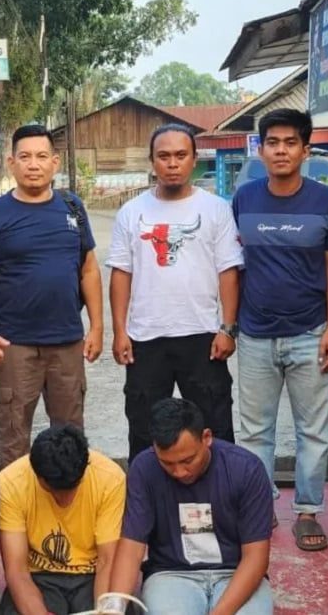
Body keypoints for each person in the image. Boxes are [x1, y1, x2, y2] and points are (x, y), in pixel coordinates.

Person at [231, 109, 328, 551]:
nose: (281, 151)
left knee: (312, 430)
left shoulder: (326, 201)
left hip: (310, 331)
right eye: (273, 143)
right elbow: (234, 265)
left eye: (290, 142)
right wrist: (230, 325)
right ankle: (260, 508)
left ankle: (308, 512)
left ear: (305, 150)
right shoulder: (244, 199)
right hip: (255, 333)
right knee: (254, 431)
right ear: (260, 150)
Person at [0, 124, 104, 467]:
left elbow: (89, 269)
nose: (33, 164)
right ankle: (14, 502)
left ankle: (70, 498)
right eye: (25, 157)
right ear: (11, 162)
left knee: (70, 437)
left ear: (55, 162)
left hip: (67, 343)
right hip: (14, 346)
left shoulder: (72, 208)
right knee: (14, 439)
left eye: (42, 156)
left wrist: (97, 327)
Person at [107, 124, 243, 462]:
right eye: (163, 156)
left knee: (215, 425)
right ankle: (146, 492)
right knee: (143, 428)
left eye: (181, 155)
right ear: (152, 161)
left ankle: (221, 490)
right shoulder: (131, 213)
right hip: (145, 338)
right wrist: (120, 331)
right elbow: (121, 273)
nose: (172, 163)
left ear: (194, 159)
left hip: (203, 336)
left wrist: (227, 328)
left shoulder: (216, 209)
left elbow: (228, 271)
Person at [107, 398, 274, 615]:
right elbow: (131, 548)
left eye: (187, 461)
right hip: (170, 574)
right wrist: (114, 607)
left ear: (207, 437)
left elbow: (256, 557)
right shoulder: (144, 469)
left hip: (235, 572)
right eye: (167, 463)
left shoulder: (247, 469)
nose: (179, 472)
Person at [0, 425, 126, 614]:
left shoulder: (111, 478)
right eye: (54, 490)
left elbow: (107, 562)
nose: (65, 500)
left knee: (118, 608)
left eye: (72, 488)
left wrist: (104, 611)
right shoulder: (10, 483)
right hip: (38, 576)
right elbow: (17, 571)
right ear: (37, 476)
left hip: (93, 575)